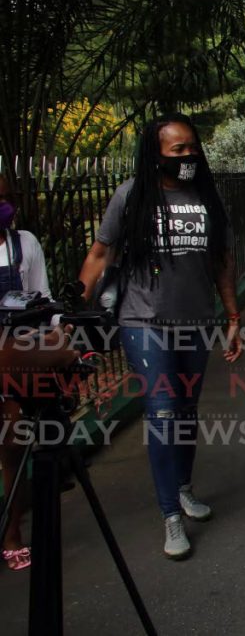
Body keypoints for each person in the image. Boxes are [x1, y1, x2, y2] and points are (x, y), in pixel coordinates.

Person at [79, 113, 242, 560]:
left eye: (193, 147)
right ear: (155, 155)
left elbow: (223, 261)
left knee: (185, 411)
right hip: (143, 321)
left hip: (195, 321)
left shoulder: (207, 197)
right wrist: (73, 313)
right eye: (178, 150)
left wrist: (231, 315)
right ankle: (170, 514)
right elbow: (99, 253)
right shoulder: (131, 196)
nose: (189, 156)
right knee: (164, 410)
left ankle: (184, 488)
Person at [0, 174, 55, 568]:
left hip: (15, 355)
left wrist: (55, 347)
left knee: (12, 448)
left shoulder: (25, 245)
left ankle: (13, 531)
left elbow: (42, 300)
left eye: (4, 196)